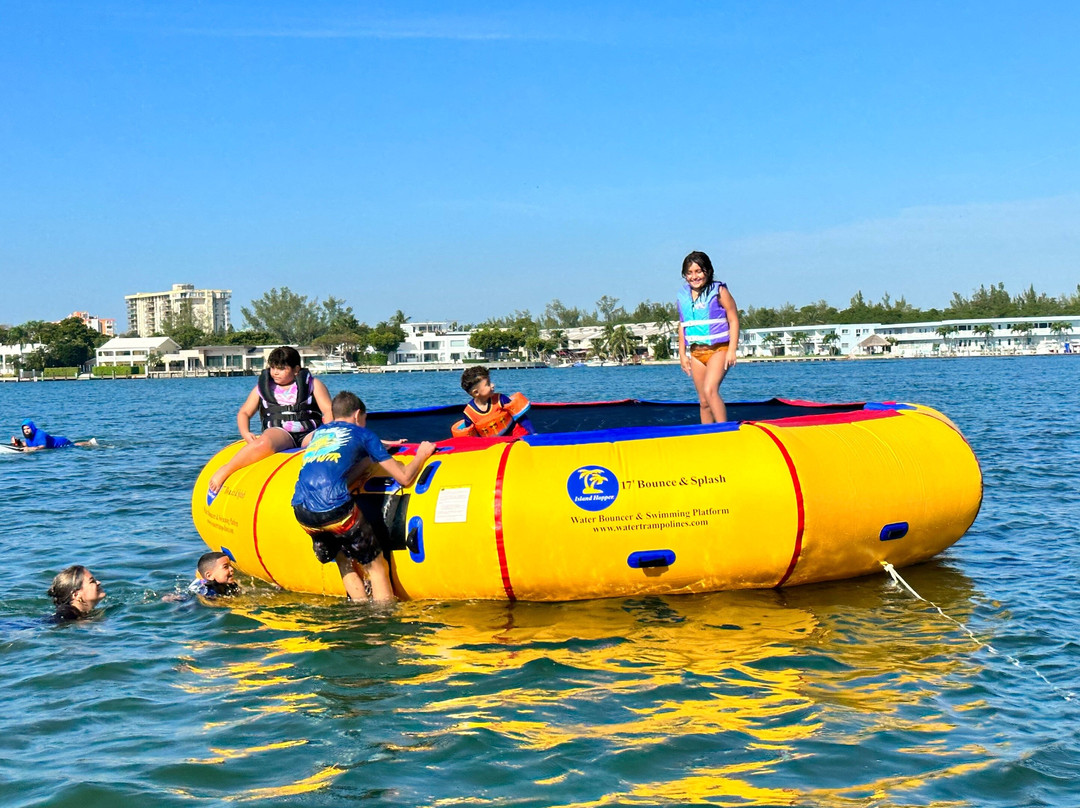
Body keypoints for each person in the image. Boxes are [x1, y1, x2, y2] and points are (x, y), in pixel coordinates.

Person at [292, 391, 436, 604]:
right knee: (376, 567)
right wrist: (421, 454)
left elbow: (332, 469)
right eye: (365, 419)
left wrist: (372, 455)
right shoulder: (364, 434)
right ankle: (383, 618)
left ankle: (358, 609)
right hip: (335, 511)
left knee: (344, 562)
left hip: (302, 511)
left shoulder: (320, 434)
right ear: (358, 414)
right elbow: (404, 477)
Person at [208, 346, 333, 494]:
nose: (275, 372)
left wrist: (328, 429)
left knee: (325, 443)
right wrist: (245, 433)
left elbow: (328, 410)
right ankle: (227, 469)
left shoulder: (313, 384)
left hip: (309, 432)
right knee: (263, 443)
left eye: (281, 368)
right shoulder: (263, 388)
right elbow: (244, 412)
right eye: (273, 367)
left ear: (296, 369)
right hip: (280, 433)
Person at [677, 250, 740, 424]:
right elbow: (682, 325)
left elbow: (733, 319)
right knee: (704, 401)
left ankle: (724, 430)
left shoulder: (719, 291)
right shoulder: (683, 296)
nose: (694, 276)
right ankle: (707, 434)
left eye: (698, 271)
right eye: (689, 272)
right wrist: (682, 354)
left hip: (719, 349)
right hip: (696, 353)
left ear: (708, 271)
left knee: (710, 390)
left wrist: (732, 350)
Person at [451, 366, 535, 438]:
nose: (492, 385)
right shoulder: (469, 414)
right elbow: (473, 437)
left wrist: (533, 434)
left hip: (516, 435)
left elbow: (522, 418)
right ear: (476, 392)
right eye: (488, 384)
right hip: (493, 443)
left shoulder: (501, 399)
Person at [17, 420, 94, 451]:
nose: (26, 431)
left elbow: (42, 447)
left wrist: (30, 449)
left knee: (74, 445)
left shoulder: (40, 434)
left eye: (28, 428)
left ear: (32, 428)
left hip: (60, 443)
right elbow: (28, 443)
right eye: (24, 429)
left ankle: (89, 443)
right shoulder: (29, 435)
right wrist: (17, 443)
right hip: (53, 443)